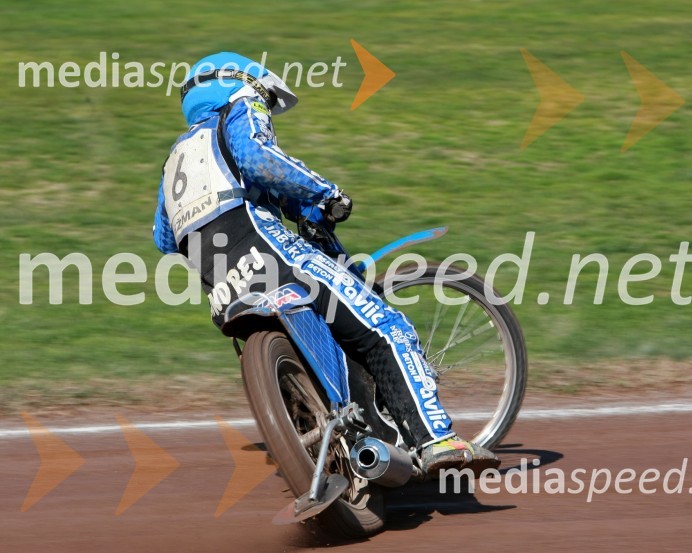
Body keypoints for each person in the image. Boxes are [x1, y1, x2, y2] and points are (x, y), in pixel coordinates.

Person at [152, 52, 499, 476]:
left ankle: (353, 444)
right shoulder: (240, 107)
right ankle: (437, 441)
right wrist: (326, 193)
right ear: (239, 82)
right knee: (383, 328)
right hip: (268, 252)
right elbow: (259, 158)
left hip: (222, 288)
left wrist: (270, 201)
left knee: (334, 338)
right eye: (265, 95)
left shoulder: (175, 157)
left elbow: (165, 238)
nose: (266, 104)